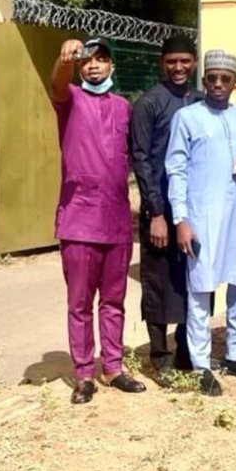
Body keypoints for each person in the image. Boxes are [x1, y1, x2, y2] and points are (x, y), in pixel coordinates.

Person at [49, 37, 146, 405]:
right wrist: (64, 58)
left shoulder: (124, 108)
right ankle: (84, 374)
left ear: (111, 68)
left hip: (117, 221)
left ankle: (114, 367)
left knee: (114, 301)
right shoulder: (70, 100)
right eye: (88, 59)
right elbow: (57, 84)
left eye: (101, 60)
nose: (93, 65)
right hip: (77, 221)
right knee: (79, 303)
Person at [165, 49, 236, 396]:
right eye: (212, 78)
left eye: (225, 79)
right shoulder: (187, 118)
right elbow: (175, 169)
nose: (218, 84)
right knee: (200, 289)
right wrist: (181, 220)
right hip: (201, 216)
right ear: (203, 81)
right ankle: (202, 364)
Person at [129, 34, 202, 385]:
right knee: (158, 281)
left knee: (192, 278)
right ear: (162, 63)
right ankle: (160, 355)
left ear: (195, 62)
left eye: (184, 61)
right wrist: (155, 213)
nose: (178, 67)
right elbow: (141, 159)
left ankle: (189, 350)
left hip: (192, 210)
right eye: (171, 61)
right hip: (160, 210)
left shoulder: (201, 101)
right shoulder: (149, 103)